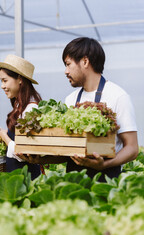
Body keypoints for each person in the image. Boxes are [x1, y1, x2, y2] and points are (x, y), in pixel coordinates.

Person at [19, 37, 139, 182]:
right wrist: (41, 159)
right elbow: (68, 153)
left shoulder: (117, 96)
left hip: (106, 181)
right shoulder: (71, 99)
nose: (65, 71)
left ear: (85, 61)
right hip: (74, 181)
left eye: (68, 64)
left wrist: (104, 164)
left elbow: (132, 148)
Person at [0, 54, 42, 179]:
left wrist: (4, 136)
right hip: (18, 177)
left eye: (5, 81)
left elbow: (23, 152)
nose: (2, 86)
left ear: (20, 79)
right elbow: (19, 137)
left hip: (28, 179)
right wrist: (2, 132)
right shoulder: (20, 106)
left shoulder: (31, 109)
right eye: (1, 81)